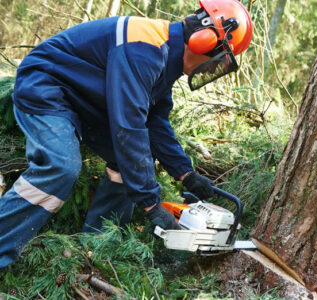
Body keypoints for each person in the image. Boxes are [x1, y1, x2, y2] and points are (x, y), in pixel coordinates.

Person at [0, 0, 253, 268]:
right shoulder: (144, 49)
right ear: (204, 40)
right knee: (61, 167)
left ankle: (96, 248)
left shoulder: (166, 56)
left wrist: (185, 173)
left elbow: (155, 123)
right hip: (46, 86)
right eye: (220, 58)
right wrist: (151, 204)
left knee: (125, 163)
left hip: (84, 100)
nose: (216, 67)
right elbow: (129, 126)